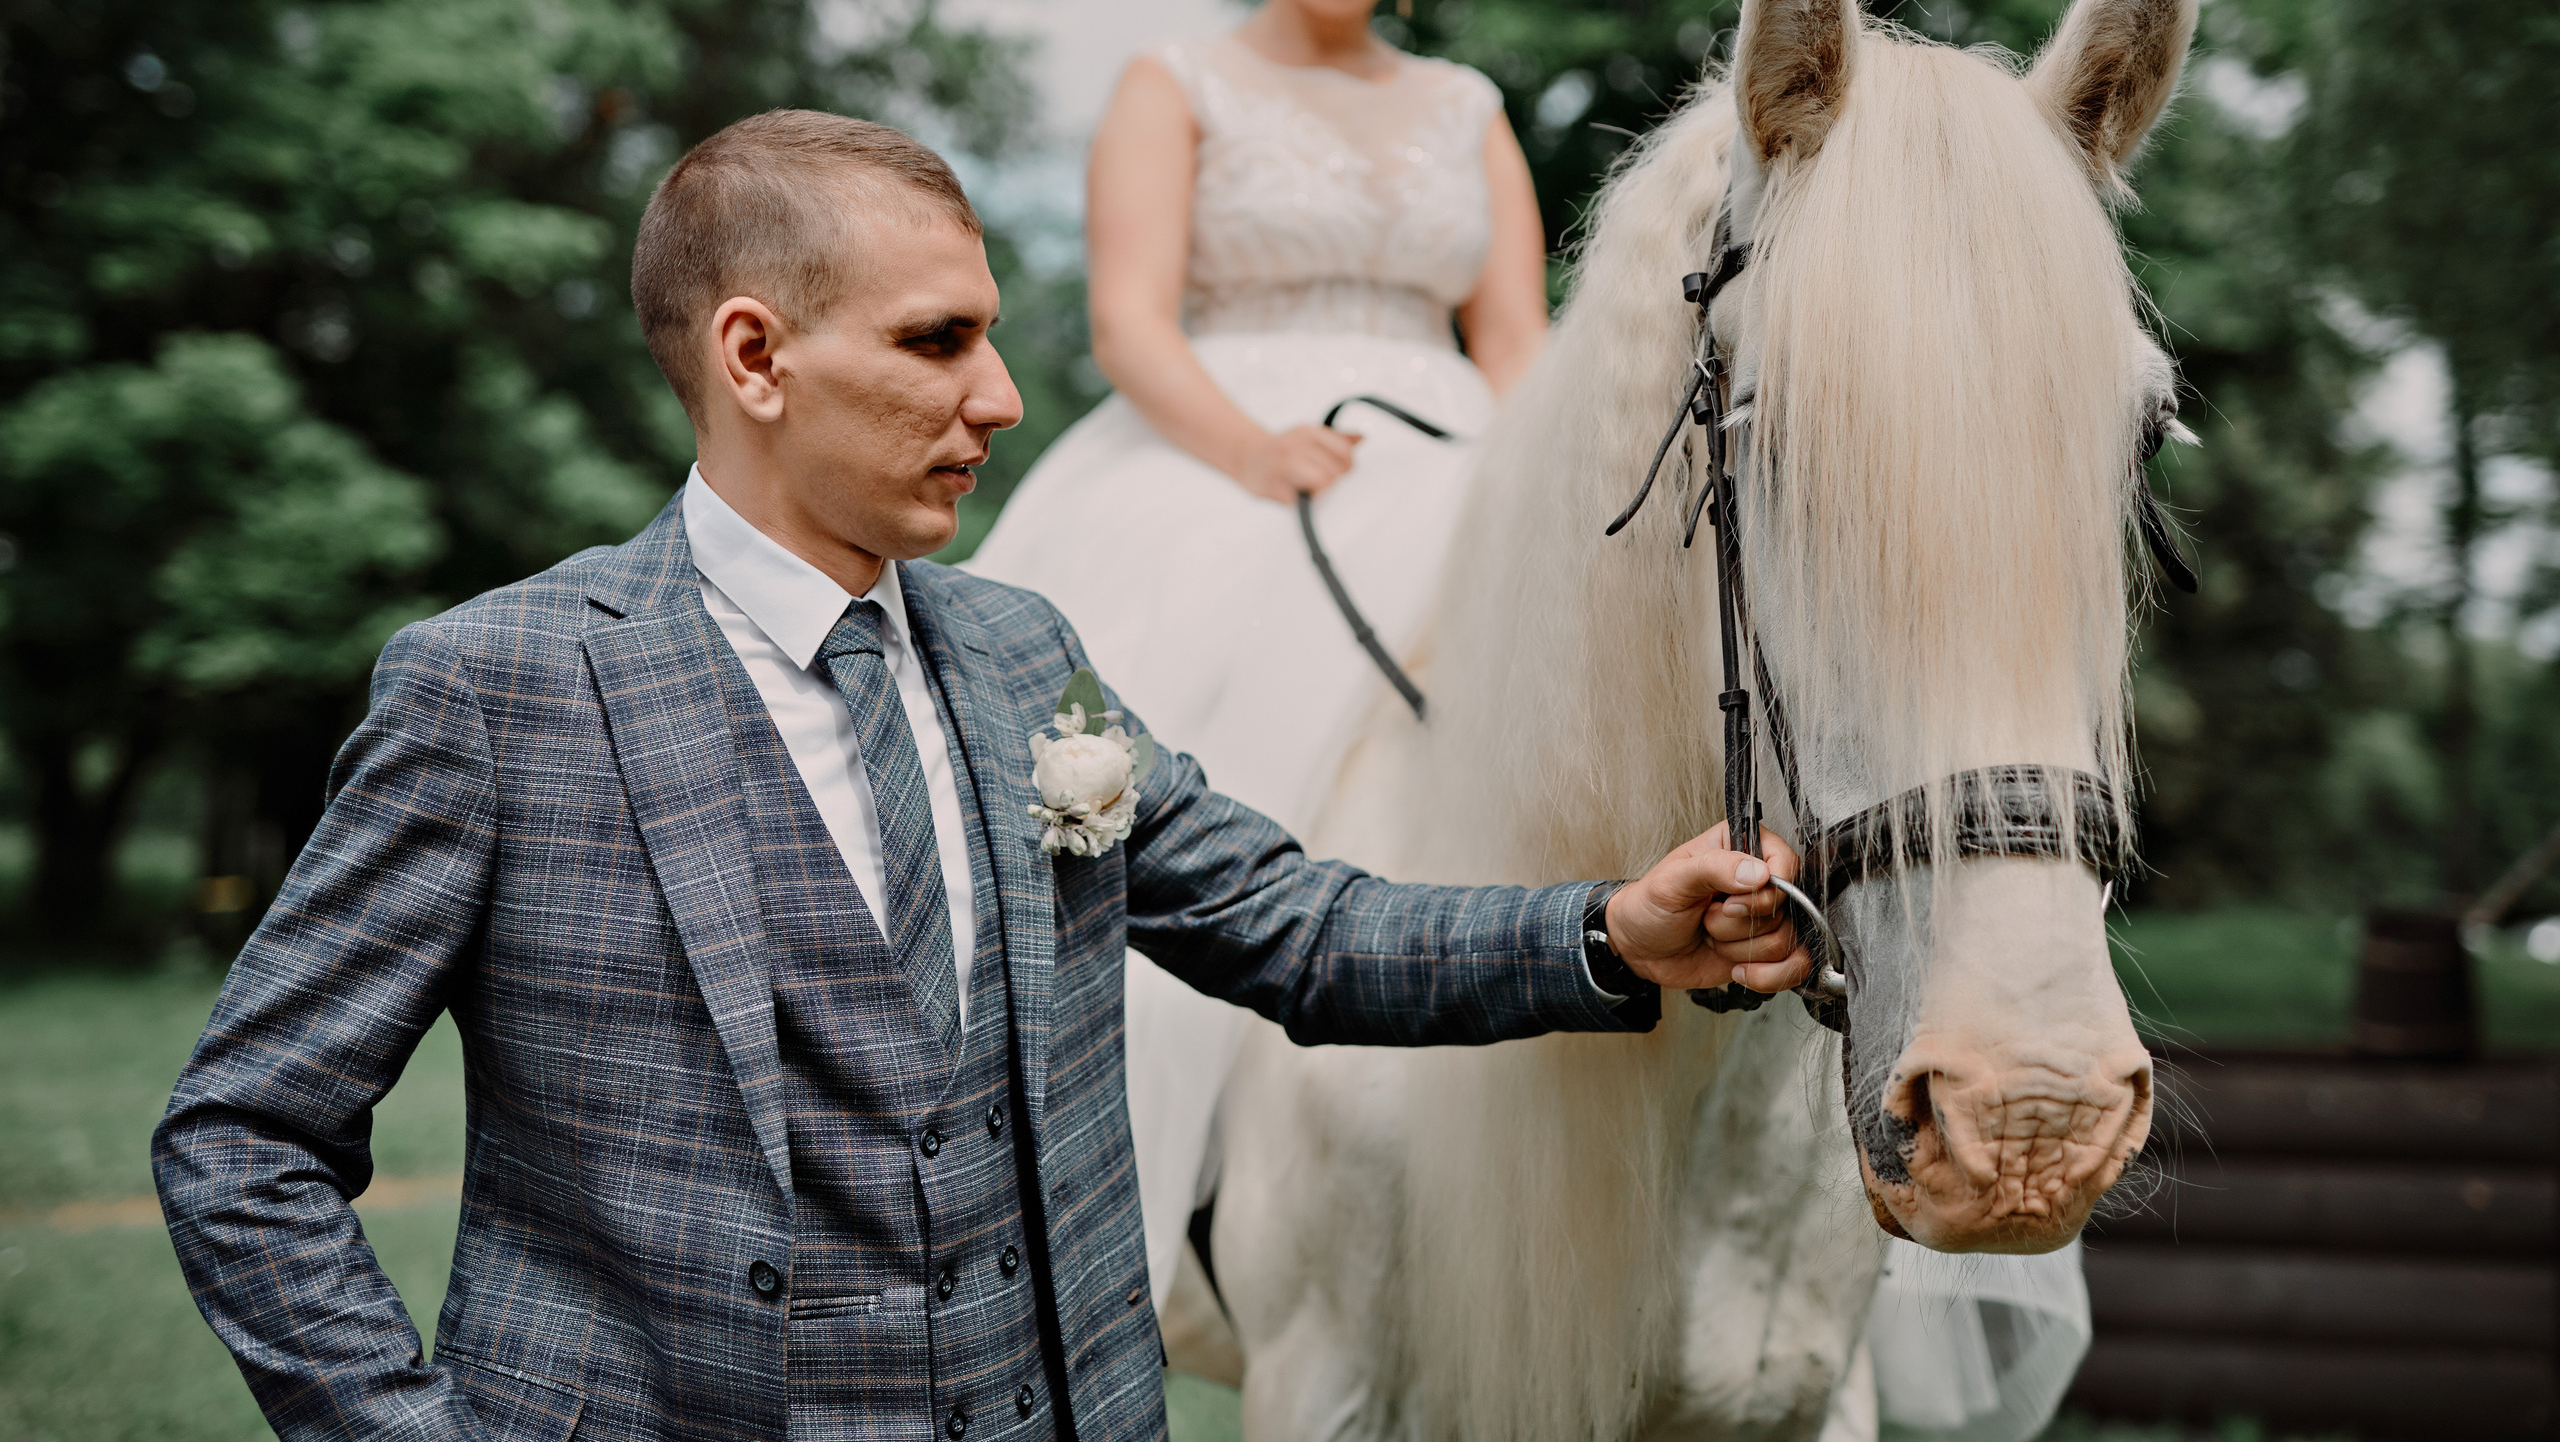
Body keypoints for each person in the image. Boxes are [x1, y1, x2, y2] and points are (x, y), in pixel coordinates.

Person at [151, 110, 1809, 1442]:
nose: (1002, 400)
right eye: (939, 343)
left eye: (993, 340)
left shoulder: (1025, 658)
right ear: (754, 357)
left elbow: (1292, 929)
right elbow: (245, 1139)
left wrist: (1610, 932)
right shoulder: (502, 690)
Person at [964, 0, 1546, 1305]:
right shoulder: (1179, 82)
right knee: (1126, 754)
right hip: (1215, 453)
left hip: (1453, 455)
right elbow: (1130, 321)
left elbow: (1518, 343)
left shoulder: (1467, 106)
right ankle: (1162, 1170)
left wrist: (1532, 486)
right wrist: (1252, 449)